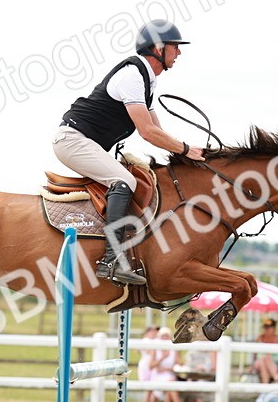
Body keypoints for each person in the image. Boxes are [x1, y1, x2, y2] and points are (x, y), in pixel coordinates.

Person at [52, 19, 207, 286]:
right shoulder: (132, 77)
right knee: (125, 181)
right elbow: (147, 132)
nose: (179, 53)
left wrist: (185, 152)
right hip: (72, 140)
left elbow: (158, 132)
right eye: (175, 47)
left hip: (83, 141)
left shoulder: (148, 81)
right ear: (158, 48)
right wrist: (184, 149)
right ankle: (111, 260)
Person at [149, 327, 184, 402]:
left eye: (166, 336)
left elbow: (178, 363)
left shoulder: (173, 348)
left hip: (169, 374)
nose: (164, 338)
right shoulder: (155, 348)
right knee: (171, 384)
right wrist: (163, 357)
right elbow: (151, 365)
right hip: (158, 375)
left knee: (170, 387)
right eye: (162, 336)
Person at [251, 318, 278, 384]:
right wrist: (252, 366)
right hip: (259, 362)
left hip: (273, 364)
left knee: (263, 362)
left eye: (268, 328)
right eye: (265, 328)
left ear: (274, 328)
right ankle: (275, 375)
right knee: (264, 358)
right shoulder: (260, 337)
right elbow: (255, 354)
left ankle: (265, 388)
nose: (266, 330)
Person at [137, 325, 162, 402]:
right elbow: (145, 351)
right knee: (148, 389)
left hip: (153, 365)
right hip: (146, 366)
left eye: (155, 331)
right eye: (152, 331)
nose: (154, 333)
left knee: (153, 388)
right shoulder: (146, 341)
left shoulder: (155, 341)